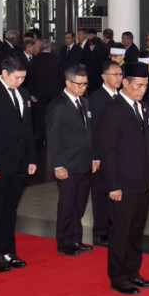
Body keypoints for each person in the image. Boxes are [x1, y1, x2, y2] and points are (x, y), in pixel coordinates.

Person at [98, 62, 149, 295]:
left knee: (135, 231)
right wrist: (113, 185)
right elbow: (108, 151)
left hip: (142, 181)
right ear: (125, 83)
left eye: (145, 86)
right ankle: (118, 276)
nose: (143, 90)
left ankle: (133, 271)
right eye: (139, 85)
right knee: (120, 232)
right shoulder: (112, 110)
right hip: (122, 184)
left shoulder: (144, 108)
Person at [0, 55, 36, 272]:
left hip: (19, 162)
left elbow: (27, 128)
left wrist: (31, 158)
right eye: (17, 78)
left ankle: (9, 251)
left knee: (11, 209)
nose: (20, 82)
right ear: (4, 73)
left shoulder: (23, 94)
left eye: (23, 78)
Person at [46, 65, 99, 256]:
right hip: (67, 164)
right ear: (68, 83)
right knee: (67, 204)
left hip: (84, 162)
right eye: (79, 84)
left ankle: (77, 239)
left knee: (80, 204)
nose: (83, 88)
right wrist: (57, 165)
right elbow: (53, 138)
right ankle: (64, 242)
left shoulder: (84, 103)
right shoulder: (58, 106)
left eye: (85, 84)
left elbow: (89, 133)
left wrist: (94, 157)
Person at [88, 60, 123, 246]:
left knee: (117, 191)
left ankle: (115, 227)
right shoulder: (96, 98)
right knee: (100, 192)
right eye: (114, 75)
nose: (118, 78)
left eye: (120, 74)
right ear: (104, 77)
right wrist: (95, 156)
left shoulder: (121, 97)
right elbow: (93, 130)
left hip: (119, 155)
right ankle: (101, 230)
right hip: (101, 155)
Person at [27, 39, 64, 144]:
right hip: (55, 93)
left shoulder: (34, 60)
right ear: (49, 48)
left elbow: (31, 78)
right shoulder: (58, 59)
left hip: (39, 93)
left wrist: (31, 93)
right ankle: (54, 137)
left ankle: (42, 137)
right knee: (54, 115)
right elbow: (62, 77)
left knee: (40, 116)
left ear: (40, 48)